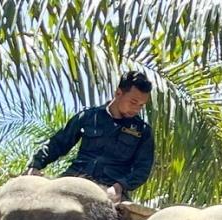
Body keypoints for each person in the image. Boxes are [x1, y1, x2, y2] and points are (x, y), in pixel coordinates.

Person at [26, 71, 155, 202]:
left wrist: (120, 186)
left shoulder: (143, 131)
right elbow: (58, 143)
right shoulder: (88, 117)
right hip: (73, 180)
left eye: (141, 105)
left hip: (110, 190)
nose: (136, 109)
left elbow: (142, 169)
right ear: (118, 93)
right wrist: (35, 164)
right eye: (133, 102)